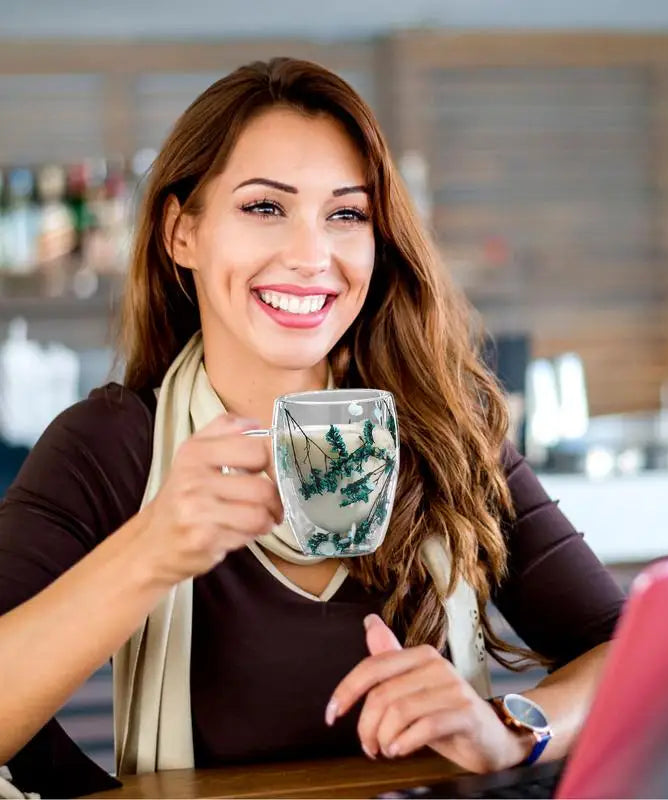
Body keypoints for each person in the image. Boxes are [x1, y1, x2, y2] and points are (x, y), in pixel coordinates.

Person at [0, 58, 624, 791]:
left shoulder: (446, 429)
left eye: (347, 214)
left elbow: (633, 650)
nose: (309, 256)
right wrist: (153, 551)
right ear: (182, 233)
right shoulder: (109, 447)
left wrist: (513, 728)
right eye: (265, 207)